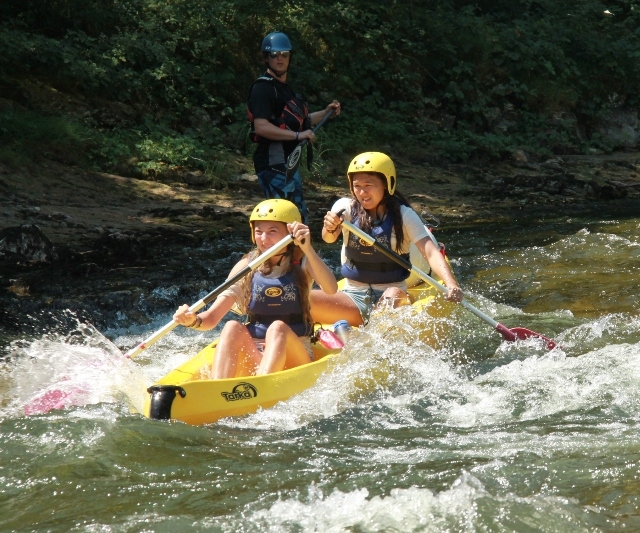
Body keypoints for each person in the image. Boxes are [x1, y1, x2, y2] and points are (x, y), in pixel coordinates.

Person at [173, 199, 338, 378]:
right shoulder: (247, 266)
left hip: (295, 352)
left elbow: (331, 288)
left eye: (272, 231)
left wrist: (308, 249)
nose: (264, 239)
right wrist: (192, 320)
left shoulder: (304, 260)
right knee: (232, 326)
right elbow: (212, 318)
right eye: (259, 232)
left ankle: (262, 385)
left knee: (277, 328)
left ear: (291, 232)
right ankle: (218, 386)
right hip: (257, 351)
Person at [312, 152, 463, 326]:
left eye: (368, 185)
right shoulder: (344, 207)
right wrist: (330, 227)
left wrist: (451, 283)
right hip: (353, 297)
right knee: (305, 299)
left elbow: (430, 252)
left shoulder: (405, 215)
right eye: (357, 186)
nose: (362, 192)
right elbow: (328, 239)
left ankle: (370, 333)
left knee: (392, 295)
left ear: (386, 184)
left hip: (391, 294)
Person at [247, 31, 341, 222]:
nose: (279, 58)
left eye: (284, 54)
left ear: (290, 57)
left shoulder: (286, 89)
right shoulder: (262, 89)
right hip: (273, 163)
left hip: (287, 164)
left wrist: (326, 113)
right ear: (266, 58)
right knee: (286, 220)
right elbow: (261, 127)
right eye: (274, 54)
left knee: (298, 218)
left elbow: (302, 122)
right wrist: (298, 136)